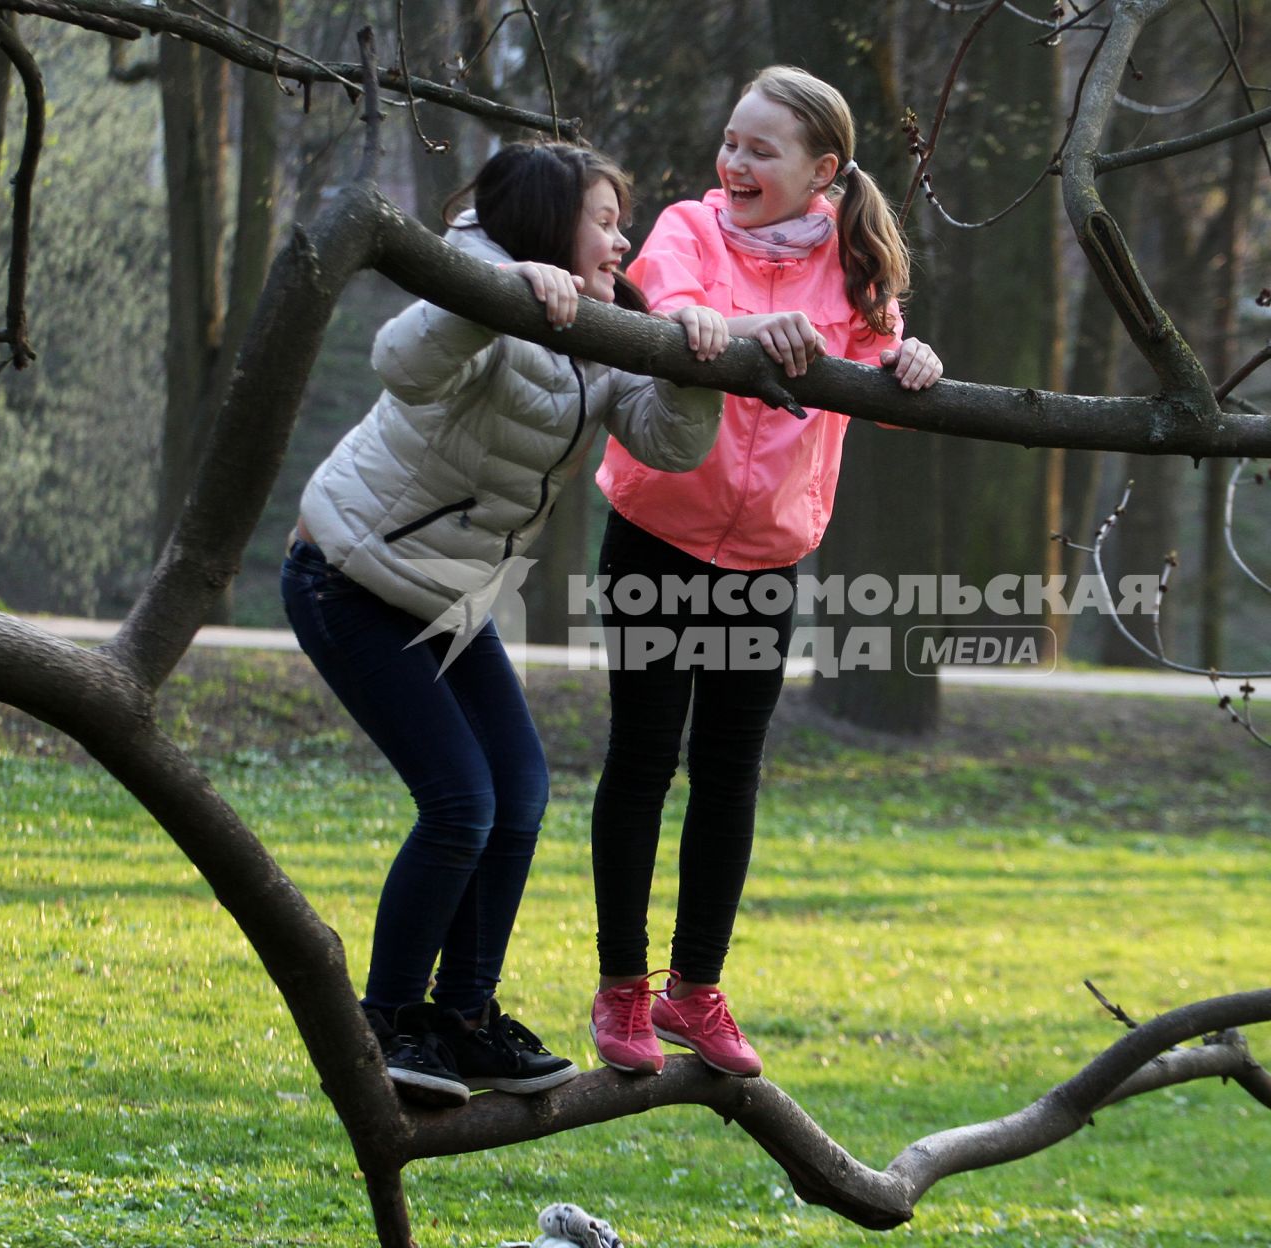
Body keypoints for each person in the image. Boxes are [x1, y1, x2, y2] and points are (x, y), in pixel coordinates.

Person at [282, 141, 726, 1107]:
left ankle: (465, 1019)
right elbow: (398, 361)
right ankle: (390, 1020)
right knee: (462, 804)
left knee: (519, 792)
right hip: (350, 576)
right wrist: (493, 294)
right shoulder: (480, 277)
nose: (625, 240)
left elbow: (667, 441)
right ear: (546, 222)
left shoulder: (605, 325)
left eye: (623, 221)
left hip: (448, 597)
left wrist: (693, 364)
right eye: (604, 221)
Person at [588, 65, 944, 1078]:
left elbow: (877, 382)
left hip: (767, 561)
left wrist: (910, 365)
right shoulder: (689, 229)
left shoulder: (853, 259)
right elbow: (669, 314)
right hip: (659, 535)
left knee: (730, 774)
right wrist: (748, 331)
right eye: (731, 141)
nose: (733, 163)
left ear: (820, 170)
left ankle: (695, 991)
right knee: (645, 758)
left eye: (761, 150)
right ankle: (622, 989)